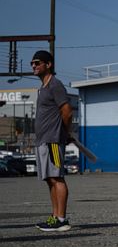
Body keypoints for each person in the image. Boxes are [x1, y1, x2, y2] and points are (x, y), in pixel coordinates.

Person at [32, 50, 73, 232]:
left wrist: (64, 132)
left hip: (53, 141)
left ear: (48, 64)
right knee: (50, 179)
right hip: (43, 141)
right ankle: (55, 216)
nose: (34, 66)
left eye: (37, 62)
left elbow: (67, 111)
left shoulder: (55, 85)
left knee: (57, 177)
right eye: (32, 63)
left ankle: (62, 219)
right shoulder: (42, 87)